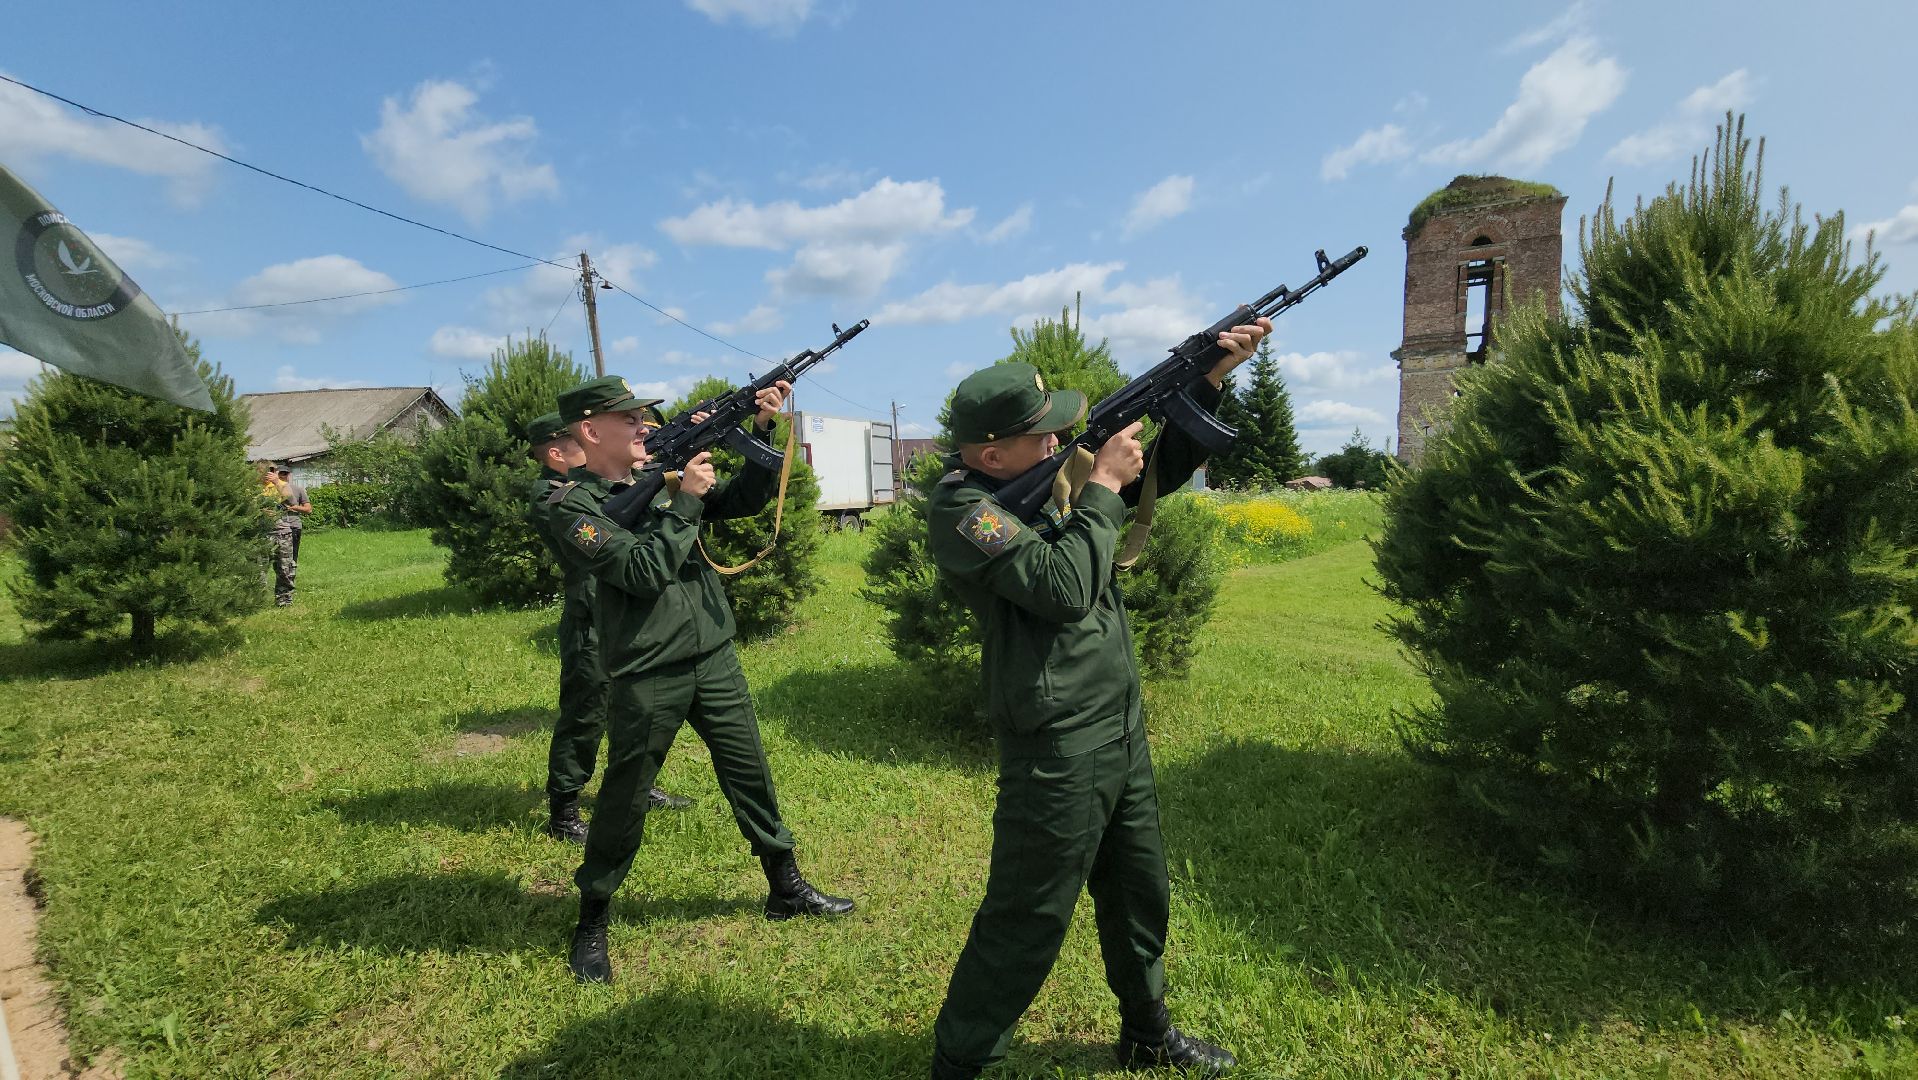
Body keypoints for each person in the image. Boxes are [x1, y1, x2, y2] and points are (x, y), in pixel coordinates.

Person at [924, 317, 1270, 1080]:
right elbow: (1064, 586)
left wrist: (1208, 377)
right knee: (1028, 915)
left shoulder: (1044, 480)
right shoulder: (962, 511)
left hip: (1115, 718)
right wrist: (1104, 485)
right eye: (1041, 435)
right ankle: (961, 1063)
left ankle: (1147, 1033)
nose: (1058, 441)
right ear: (989, 455)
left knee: (1139, 891)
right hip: (1056, 736)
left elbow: (1153, 478)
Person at [545, 375, 854, 983]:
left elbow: (742, 502)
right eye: (630, 419)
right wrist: (684, 497)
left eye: (644, 419)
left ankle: (785, 885)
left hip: (712, 651)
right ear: (590, 430)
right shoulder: (572, 506)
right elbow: (638, 570)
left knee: (749, 771)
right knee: (626, 794)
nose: (642, 426)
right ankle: (593, 918)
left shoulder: (655, 477)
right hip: (648, 665)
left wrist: (760, 432)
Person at [522, 411, 691, 845]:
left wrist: (667, 445)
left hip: (625, 612)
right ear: (557, 453)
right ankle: (565, 806)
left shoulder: (603, 482)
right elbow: (611, 523)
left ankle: (637, 784)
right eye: (580, 443)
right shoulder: (552, 495)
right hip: (591, 619)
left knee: (632, 708)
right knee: (585, 713)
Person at [262, 461, 306, 606]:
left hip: (282, 532)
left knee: (284, 568)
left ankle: (284, 599)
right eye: (266, 470)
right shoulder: (252, 488)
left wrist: (277, 483)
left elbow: (292, 501)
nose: (270, 473)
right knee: (258, 569)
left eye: (273, 470)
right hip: (261, 533)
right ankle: (256, 600)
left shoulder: (282, 485)